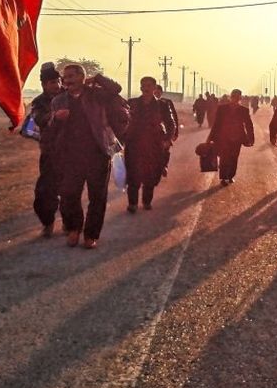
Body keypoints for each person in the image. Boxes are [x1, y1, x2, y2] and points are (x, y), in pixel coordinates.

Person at [48, 64, 125, 249]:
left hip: (98, 153)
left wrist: (98, 78)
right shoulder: (58, 101)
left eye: (72, 76)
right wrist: (56, 118)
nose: (67, 80)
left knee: (97, 197)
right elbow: (51, 128)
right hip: (70, 156)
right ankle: (74, 228)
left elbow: (116, 89)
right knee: (68, 194)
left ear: (82, 77)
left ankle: (91, 234)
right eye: (65, 77)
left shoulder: (97, 95)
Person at [124, 77, 177, 211]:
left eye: (149, 85)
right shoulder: (132, 103)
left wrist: (167, 140)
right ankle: (133, 203)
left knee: (151, 175)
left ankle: (147, 201)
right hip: (134, 144)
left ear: (154, 88)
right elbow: (122, 120)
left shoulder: (163, 105)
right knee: (133, 174)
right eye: (143, 85)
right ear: (140, 88)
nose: (145, 88)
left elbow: (171, 124)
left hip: (154, 145)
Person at [26, 62, 63, 236]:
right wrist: (55, 115)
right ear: (44, 85)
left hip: (71, 151)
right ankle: (48, 223)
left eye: (57, 81)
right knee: (45, 191)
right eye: (51, 83)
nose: (56, 85)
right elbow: (39, 120)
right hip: (50, 153)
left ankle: (71, 224)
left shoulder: (69, 96)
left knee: (69, 190)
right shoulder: (39, 102)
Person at [207, 88, 255, 185]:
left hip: (237, 138)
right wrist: (210, 137)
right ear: (231, 97)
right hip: (224, 138)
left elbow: (249, 125)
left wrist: (251, 138)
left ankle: (231, 176)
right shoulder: (222, 108)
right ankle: (224, 178)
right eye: (234, 97)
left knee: (234, 157)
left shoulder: (243, 110)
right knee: (224, 157)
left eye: (238, 97)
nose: (235, 99)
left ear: (240, 98)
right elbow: (216, 124)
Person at [154, 84, 180, 176]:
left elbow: (173, 118)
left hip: (165, 132)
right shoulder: (144, 103)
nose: (156, 94)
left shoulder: (166, 103)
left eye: (158, 92)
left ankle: (164, 166)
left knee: (166, 150)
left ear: (161, 93)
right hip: (150, 133)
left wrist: (175, 132)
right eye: (154, 92)